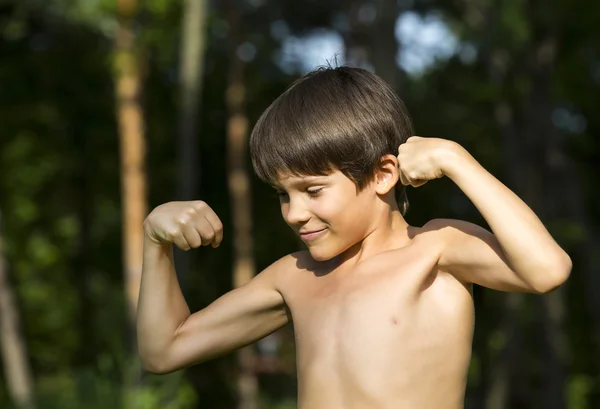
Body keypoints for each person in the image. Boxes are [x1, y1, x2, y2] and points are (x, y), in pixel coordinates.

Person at [136, 66, 571, 408]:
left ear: (384, 174)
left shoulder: (435, 250)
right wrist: (155, 243)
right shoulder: (295, 276)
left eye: (312, 190)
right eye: (283, 195)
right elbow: (164, 352)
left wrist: (455, 159)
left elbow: (547, 270)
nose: (294, 213)